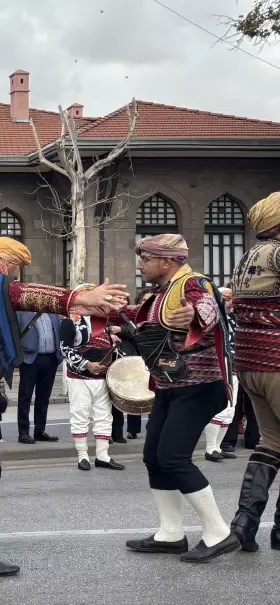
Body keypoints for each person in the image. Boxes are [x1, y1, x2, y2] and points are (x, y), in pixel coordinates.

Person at [0, 237, 127, 576]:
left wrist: (78, 305)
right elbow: (21, 294)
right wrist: (76, 297)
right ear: (5, 261)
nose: (13, 275)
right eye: (13, 268)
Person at [121, 234, 239, 562]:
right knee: (154, 457)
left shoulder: (192, 285)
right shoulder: (160, 293)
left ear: (167, 261)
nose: (139, 264)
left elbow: (207, 308)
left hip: (198, 386)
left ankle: (219, 532)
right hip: (172, 385)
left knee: (173, 457)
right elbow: (141, 318)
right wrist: (108, 305)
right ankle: (170, 534)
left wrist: (193, 317)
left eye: (145, 258)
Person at [230, 193, 280, 552]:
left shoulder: (248, 256)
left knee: (272, 443)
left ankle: (244, 525)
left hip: (250, 362)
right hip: (277, 359)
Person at [58, 309, 125, 472]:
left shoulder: (105, 322)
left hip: (102, 378)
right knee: (80, 414)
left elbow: (113, 349)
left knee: (104, 417)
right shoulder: (70, 321)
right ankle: (82, 456)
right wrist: (87, 365)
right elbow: (65, 349)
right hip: (80, 378)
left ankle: (103, 456)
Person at [16, 309, 62, 444]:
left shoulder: (53, 313)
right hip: (30, 359)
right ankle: (23, 432)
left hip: (50, 359)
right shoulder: (22, 312)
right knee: (25, 396)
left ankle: (39, 431)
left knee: (43, 397)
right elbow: (15, 333)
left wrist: (59, 355)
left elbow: (58, 332)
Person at [203, 289, 238, 463]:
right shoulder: (212, 319)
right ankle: (210, 448)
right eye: (227, 299)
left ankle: (217, 446)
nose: (231, 303)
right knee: (221, 408)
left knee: (230, 410)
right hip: (218, 368)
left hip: (234, 368)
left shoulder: (232, 319)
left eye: (232, 299)